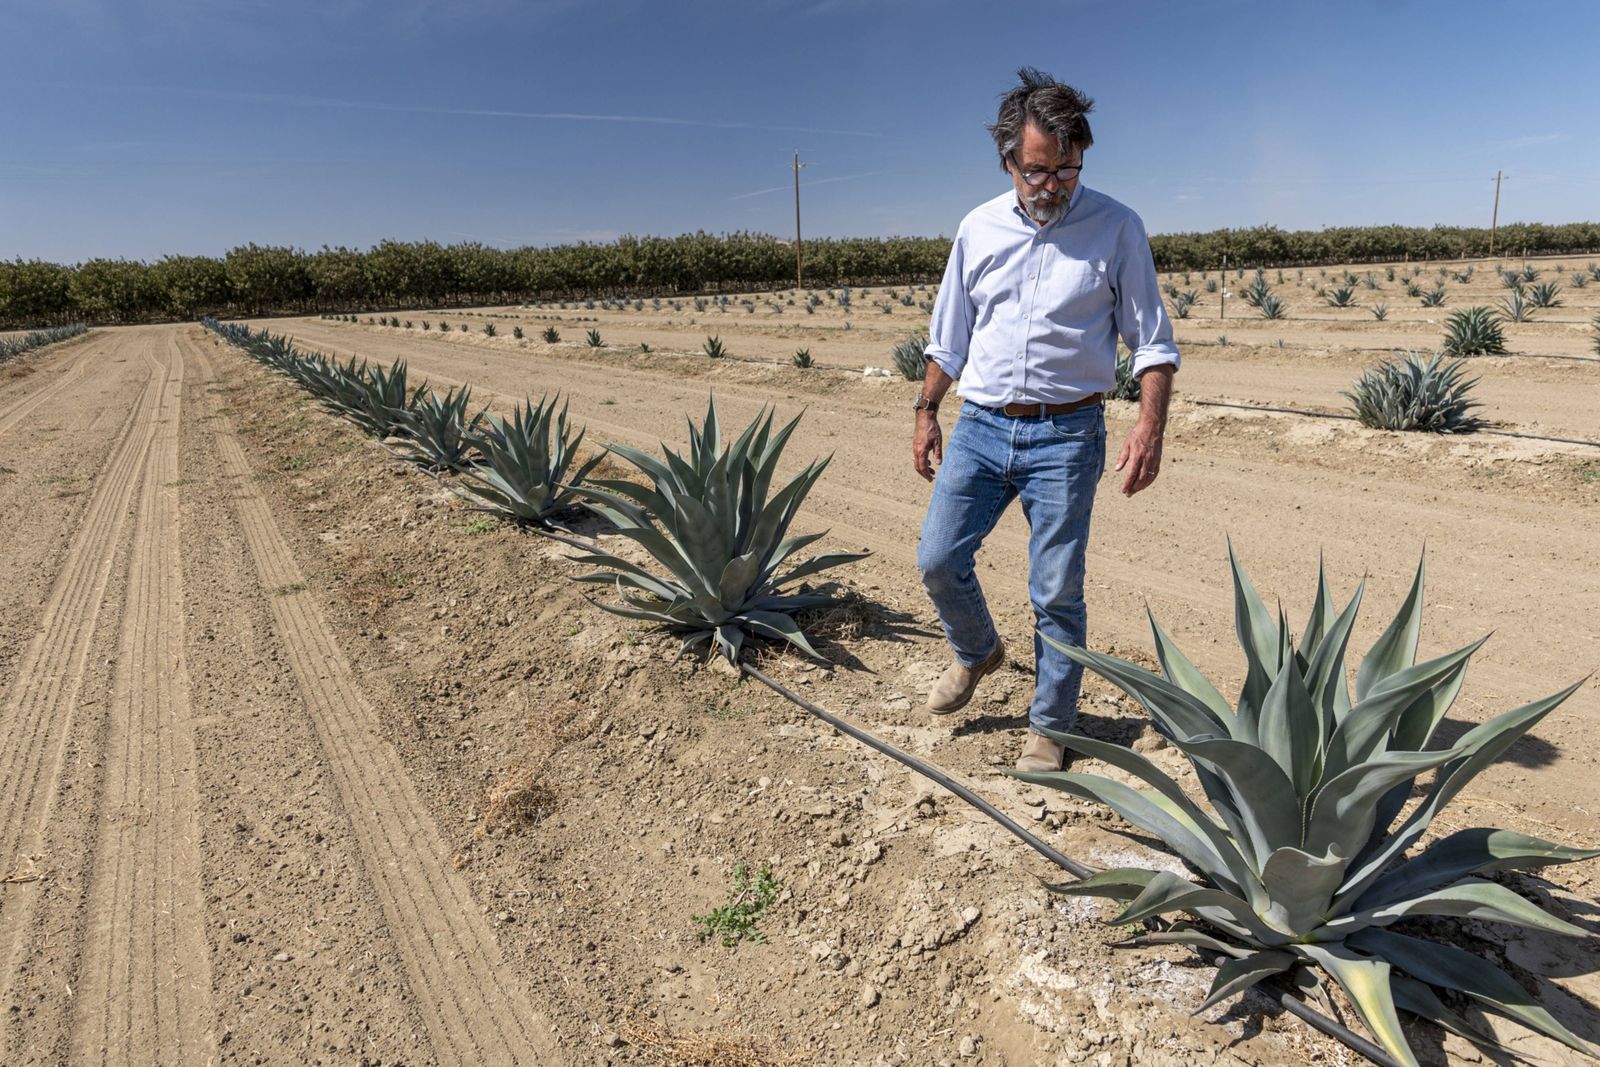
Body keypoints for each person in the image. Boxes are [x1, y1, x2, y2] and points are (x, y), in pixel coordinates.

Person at [912, 68, 1179, 772]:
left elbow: (1152, 342)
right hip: (981, 424)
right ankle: (979, 652)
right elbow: (949, 339)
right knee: (937, 556)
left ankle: (1049, 726)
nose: (1054, 185)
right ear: (1008, 162)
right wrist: (926, 409)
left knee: (1056, 588)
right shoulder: (976, 229)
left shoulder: (1117, 227)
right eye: (1038, 171)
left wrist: (1149, 427)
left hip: (1068, 433)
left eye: (1068, 170)